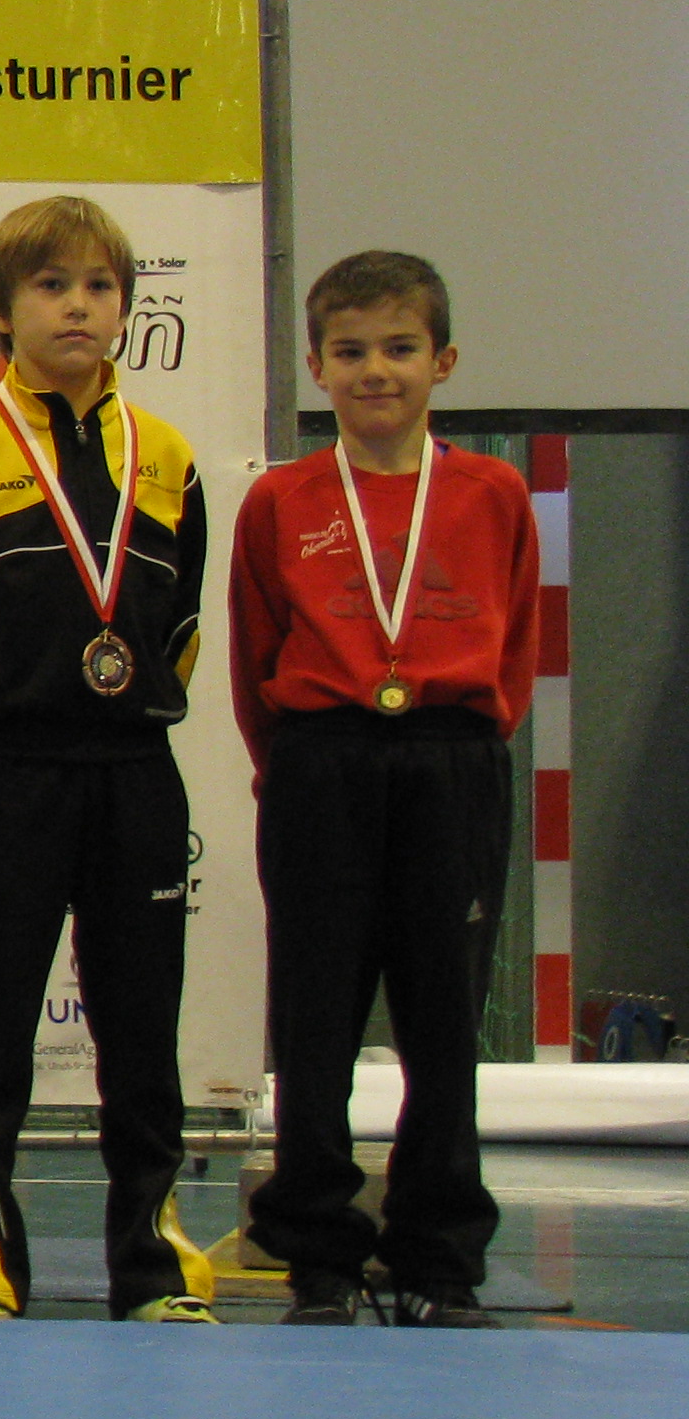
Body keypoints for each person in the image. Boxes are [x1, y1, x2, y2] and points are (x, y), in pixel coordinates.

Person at [0, 196, 215, 1321]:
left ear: (126, 307)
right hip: (7, 778)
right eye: (50, 286)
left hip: (135, 778)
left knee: (143, 1032)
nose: (77, 306)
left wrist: (119, 714)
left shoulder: (168, 456)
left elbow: (182, 628)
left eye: (99, 286)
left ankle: (155, 1267)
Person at [231, 252, 537, 1328]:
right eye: (350, 350)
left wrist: (466, 740)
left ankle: (438, 1259)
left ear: (443, 361)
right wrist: (298, 764)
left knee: (445, 1020)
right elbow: (256, 655)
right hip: (323, 762)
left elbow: (516, 646)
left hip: (452, 761)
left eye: (400, 348)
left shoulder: (494, 493)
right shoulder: (281, 499)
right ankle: (318, 1254)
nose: (376, 371)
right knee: (314, 1018)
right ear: (316, 366)